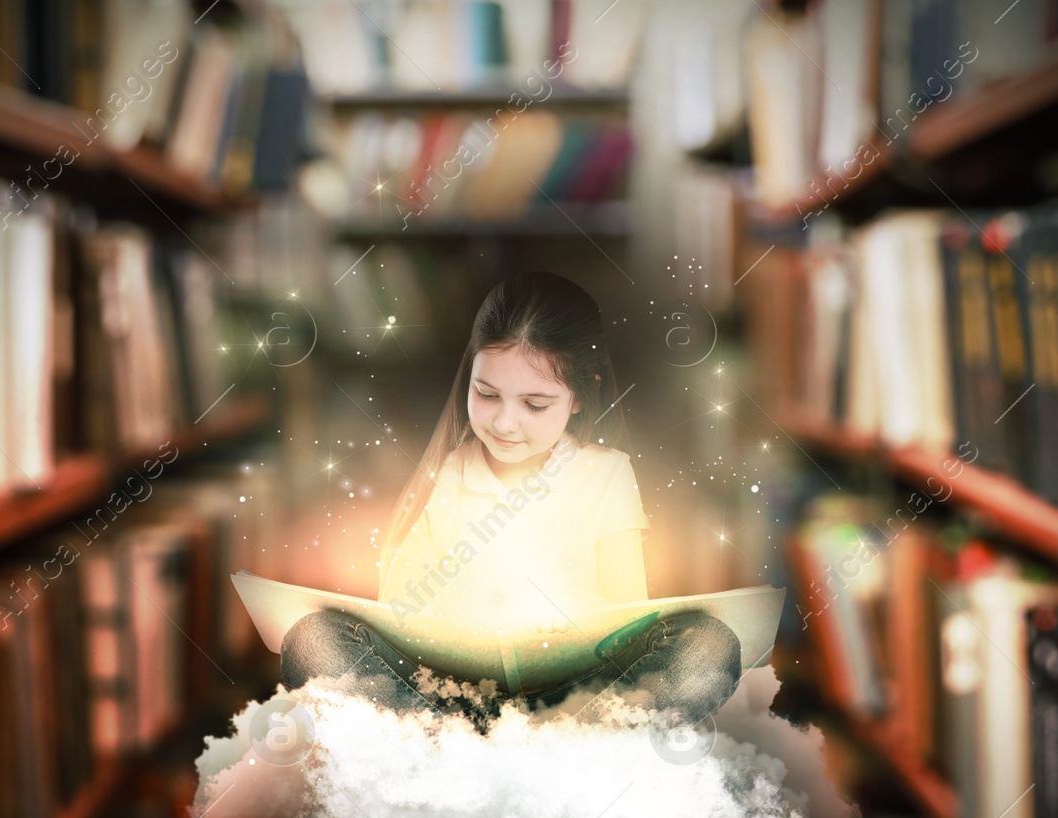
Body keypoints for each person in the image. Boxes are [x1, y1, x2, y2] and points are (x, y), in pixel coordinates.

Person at [281, 272, 740, 732]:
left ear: (578, 397)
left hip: (574, 696)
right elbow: (401, 610)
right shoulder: (450, 472)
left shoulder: (607, 473)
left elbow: (628, 622)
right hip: (450, 695)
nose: (505, 422)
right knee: (312, 641)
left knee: (709, 646)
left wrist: (563, 613)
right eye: (486, 394)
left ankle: (539, 747)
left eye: (535, 405)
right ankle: (459, 745)